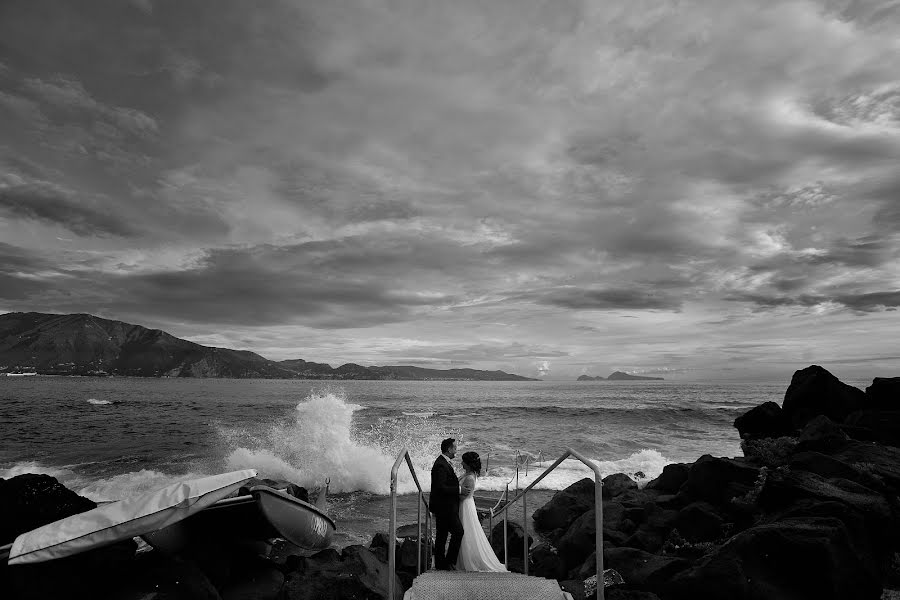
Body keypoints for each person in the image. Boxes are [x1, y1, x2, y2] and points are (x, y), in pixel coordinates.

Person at [455, 451, 507, 572]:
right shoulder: (467, 474)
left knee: (466, 532)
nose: (461, 463)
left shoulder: (469, 478)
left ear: (468, 463)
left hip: (465, 506)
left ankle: (467, 560)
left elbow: (463, 497)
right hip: (465, 505)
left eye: (463, 461)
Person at [430, 438, 464, 570]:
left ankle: (441, 564)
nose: (456, 450)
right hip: (445, 507)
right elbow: (441, 487)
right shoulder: (441, 465)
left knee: (442, 535)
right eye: (455, 448)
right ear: (449, 449)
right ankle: (448, 561)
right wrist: (459, 489)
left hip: (444, 506)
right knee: (458, 532)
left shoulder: (443, 462)